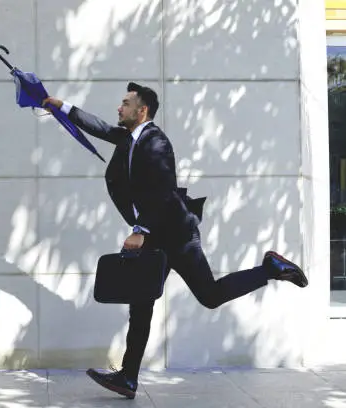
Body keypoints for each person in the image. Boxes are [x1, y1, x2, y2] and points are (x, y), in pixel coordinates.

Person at [42, 82, 308, 400]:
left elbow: (164, 193)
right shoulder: (130, 138)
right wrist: (62, 107)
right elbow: (98, 127)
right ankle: (128, 377)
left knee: (209, 295)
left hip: (176, 235)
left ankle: (270, 268)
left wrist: (140, 230)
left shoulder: (155, 142)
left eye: (125, 103)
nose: (119, 107)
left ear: (142, 111)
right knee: (140, 305)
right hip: (157, 236)